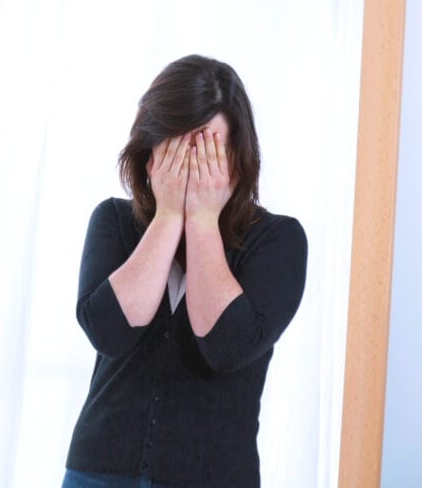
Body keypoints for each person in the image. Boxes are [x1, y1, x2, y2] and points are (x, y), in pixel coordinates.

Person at [62, 55, 307, 488]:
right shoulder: (114, 222)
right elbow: (109, 332)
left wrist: (202, 221)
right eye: (178, 149)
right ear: (151, 153)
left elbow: (226, 346)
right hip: (98, 472)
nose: (192, 165)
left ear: (236, 158)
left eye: (209, 150)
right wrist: (169, 214)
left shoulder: (278, 240)